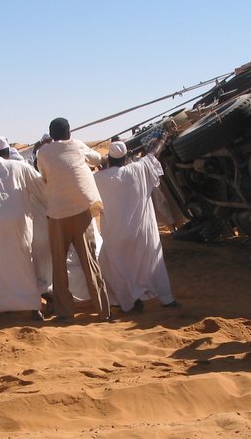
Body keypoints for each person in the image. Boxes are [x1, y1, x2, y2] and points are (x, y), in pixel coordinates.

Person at [35, 118, 111, 321]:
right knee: (90, 261)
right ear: (69, 132)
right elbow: (97, 159)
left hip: (57, 214)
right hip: (81, 210)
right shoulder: (77, 145)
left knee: (59, 265)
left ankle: (65, 313)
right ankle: (103, 310)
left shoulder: (42, 152)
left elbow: (44, 174)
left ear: (51, 135)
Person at [93, 138, 178, 314]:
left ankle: (129, 304)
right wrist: (162, 139)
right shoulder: (138, 169)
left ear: (109, 158)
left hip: (115, 235)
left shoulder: (99, 179)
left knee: (118, 268)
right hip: (142, 233)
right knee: (152, 264)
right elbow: (153, 154)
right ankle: (167, 299)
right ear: (126, 158)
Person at [0, 136, 48, 318]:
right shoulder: (21, 167)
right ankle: (32, 307)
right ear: (7, 153)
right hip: (17, 222)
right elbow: (42, 190)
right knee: (22, 262)